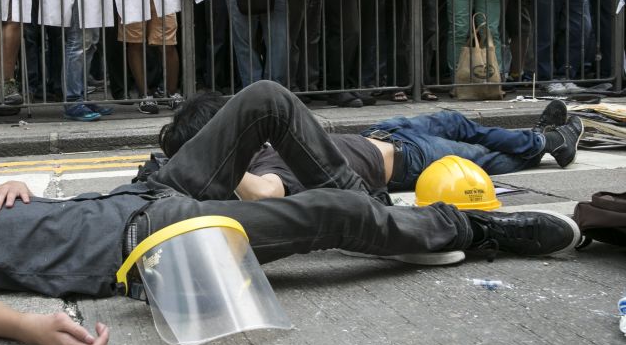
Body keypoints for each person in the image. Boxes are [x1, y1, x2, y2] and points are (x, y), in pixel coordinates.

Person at [0, 84, 581, 345]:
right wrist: (35, 330)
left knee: (263, 102)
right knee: (317, 214)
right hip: (145, 245)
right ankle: (466, 232)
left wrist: (7, 192)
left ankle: (384, 216)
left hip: (141, 196)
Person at [159, 86, 583, 198]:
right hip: (407, 161)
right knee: (484, 159)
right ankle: (549, 143)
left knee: (456, 120)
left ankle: (543, 137)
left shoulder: (264, 147)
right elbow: (262, 195)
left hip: (383, 132)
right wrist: (216, 159)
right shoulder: (260, 172)